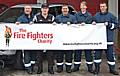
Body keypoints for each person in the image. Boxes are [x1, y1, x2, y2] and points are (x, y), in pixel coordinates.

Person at [93, 2, 119, 75]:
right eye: (101, 6)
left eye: (104, 6)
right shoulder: (96, 15)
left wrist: (110, 24)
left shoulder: (111, 16)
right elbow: (91, 23)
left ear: (106, 7)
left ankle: (112, 69)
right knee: (97, 56)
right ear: (100, 7)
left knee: (110, 56)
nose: (102, 8)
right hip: (99, 40)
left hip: (108, 40)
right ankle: (97, 69)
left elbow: (117, 25)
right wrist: (93, 22)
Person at [32, 3, 55, 74]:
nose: (45, 10)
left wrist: (55, 25)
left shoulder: (52, 17)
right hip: (39, 39)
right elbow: (31, 27)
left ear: (48, 9)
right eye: (43, 8)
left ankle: (50, 69)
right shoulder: (36, 17)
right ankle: (39, 69)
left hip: (49, 40)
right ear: (41, 9)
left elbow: (56, 28)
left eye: (46, 8)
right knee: (39, 55)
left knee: (50, 55)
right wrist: (30, 24)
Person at [72, 1, 93, 73]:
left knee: (88, 53)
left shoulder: (89, 15)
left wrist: (86, 24)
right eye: (81, 6)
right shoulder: (77, 15)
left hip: (87, 37)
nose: (83, 7)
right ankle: (76, 67)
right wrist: (78, 24)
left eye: (84, 6)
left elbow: (91, 23)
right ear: (80, 7)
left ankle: (90, 68)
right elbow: (74, 22)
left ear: (86, 7)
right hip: (79, 37)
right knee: (77, 53)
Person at [55, 4, 77, 73]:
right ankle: (59, 68)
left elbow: (76, 27)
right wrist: (55, 24)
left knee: (69, 55)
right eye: (63, 9)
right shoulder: (57, 17)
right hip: (60, 40)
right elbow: (54, 27)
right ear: (61, 10)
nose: (64, 10)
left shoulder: (72, 17)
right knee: (59, 56)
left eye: (66, 9)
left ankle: (68, 68)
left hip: (69, 39)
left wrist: (71, 25)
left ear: (68, 10)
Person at [16, 5, 36, 74]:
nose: (27, 10)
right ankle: (28, 68)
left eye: (29, 8)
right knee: (27, 54)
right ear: (24, 10)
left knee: (33, 54)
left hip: (34, 39)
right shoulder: (20, 18)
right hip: (25, 40)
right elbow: (17, 29)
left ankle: (32, 66)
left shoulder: (34, 17)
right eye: (26, 8)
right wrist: (17, 25)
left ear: (31, 9)